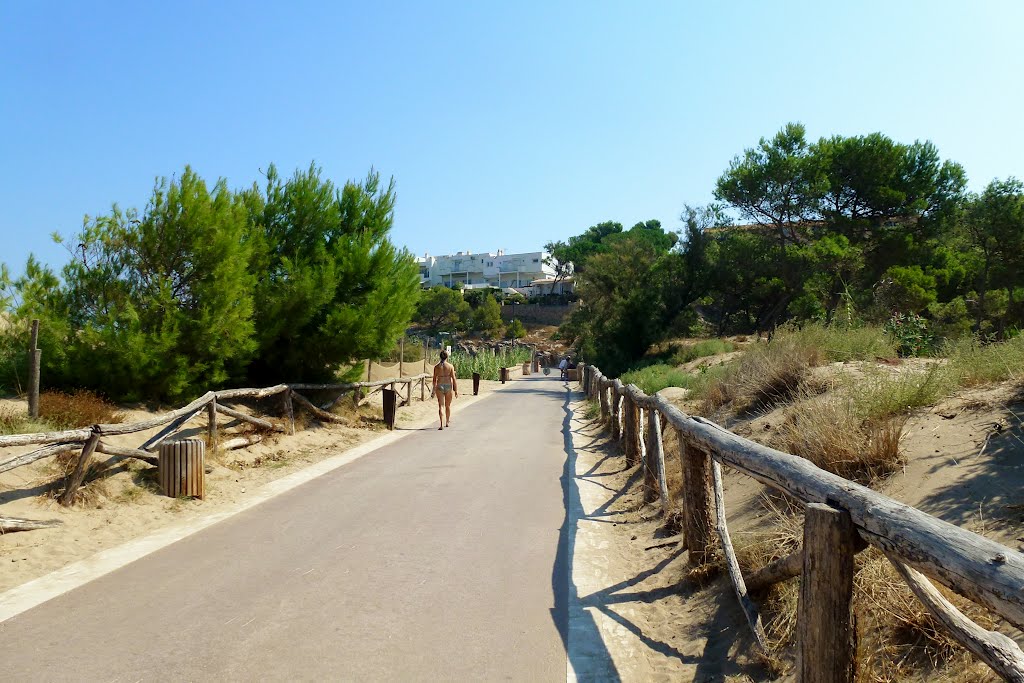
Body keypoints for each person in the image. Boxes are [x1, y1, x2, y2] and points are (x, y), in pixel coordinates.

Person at [432, 350, 458, 430]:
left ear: (440, 356)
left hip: (439, 386)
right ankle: (447, 422)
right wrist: (456, 390)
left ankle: (441, 424)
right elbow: (454, 379)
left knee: (441, 406)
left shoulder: (436, 367)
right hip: (448, 386)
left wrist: (433, 390)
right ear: (447, 357)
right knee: (448, 405)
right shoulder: (450, 366)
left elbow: (434, 379)